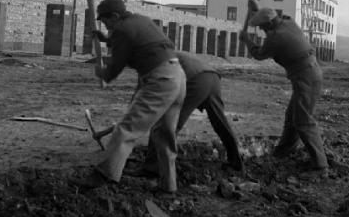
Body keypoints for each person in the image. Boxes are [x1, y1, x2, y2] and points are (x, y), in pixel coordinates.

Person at [74, 0, 186, 194]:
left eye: (106, 21)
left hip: (160, 79)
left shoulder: (122, 30)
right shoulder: (140, 20)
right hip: (178, 75)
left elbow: (115, 68)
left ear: (115, 16)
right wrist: (107, 39)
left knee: (125, 129)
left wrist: (102, 72)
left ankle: (104, 175)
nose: (105, 25)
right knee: (163, 134)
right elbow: (136, 41)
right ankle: (169, 186)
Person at [94, 50, 244, 176]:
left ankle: (152, 168)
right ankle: (236, 162)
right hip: (212, 77)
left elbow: (140, 97)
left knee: (164, 125)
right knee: (220, 122)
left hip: (194, 80)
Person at [238, 0, 328, 177]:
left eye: (263, 28)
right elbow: (272, 16)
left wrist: (247, 39)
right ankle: (284, 151)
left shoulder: (276, 38)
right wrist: (256, 9)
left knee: (303, 120)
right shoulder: (288, 22)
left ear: (270, 24)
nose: (264, 31)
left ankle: (320, 167)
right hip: (310, 72)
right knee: (292, 116)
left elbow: (258, 54)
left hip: (306, 76)